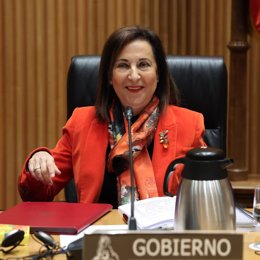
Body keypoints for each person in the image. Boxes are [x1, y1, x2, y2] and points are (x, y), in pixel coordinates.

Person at [18, 26, 206, 208]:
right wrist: (38, 163)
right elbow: (38, 195)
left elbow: (203, 197)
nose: (134, 76)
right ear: (110, 76)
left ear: (158, 75)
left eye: (143, 65)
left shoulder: (189, 125)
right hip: (96, 237)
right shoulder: (82, 122)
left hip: (160, 238)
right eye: (123, 66)